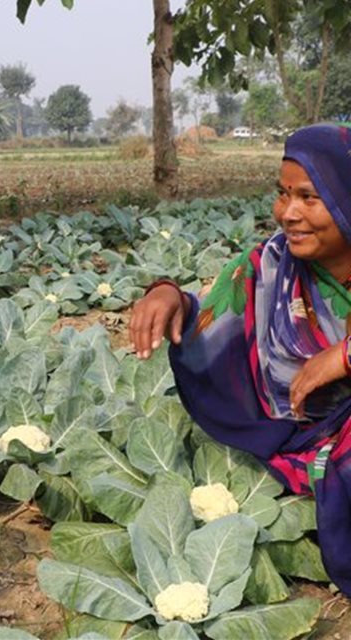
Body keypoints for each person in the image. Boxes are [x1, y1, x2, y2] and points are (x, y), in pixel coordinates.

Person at [130, 123, 351, 595]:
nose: (288, 213)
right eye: (282, 194)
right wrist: (173, 299)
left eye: (310, 197)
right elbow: (213, 317)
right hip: (299, 436)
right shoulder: (273, 264)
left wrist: (345, 356)